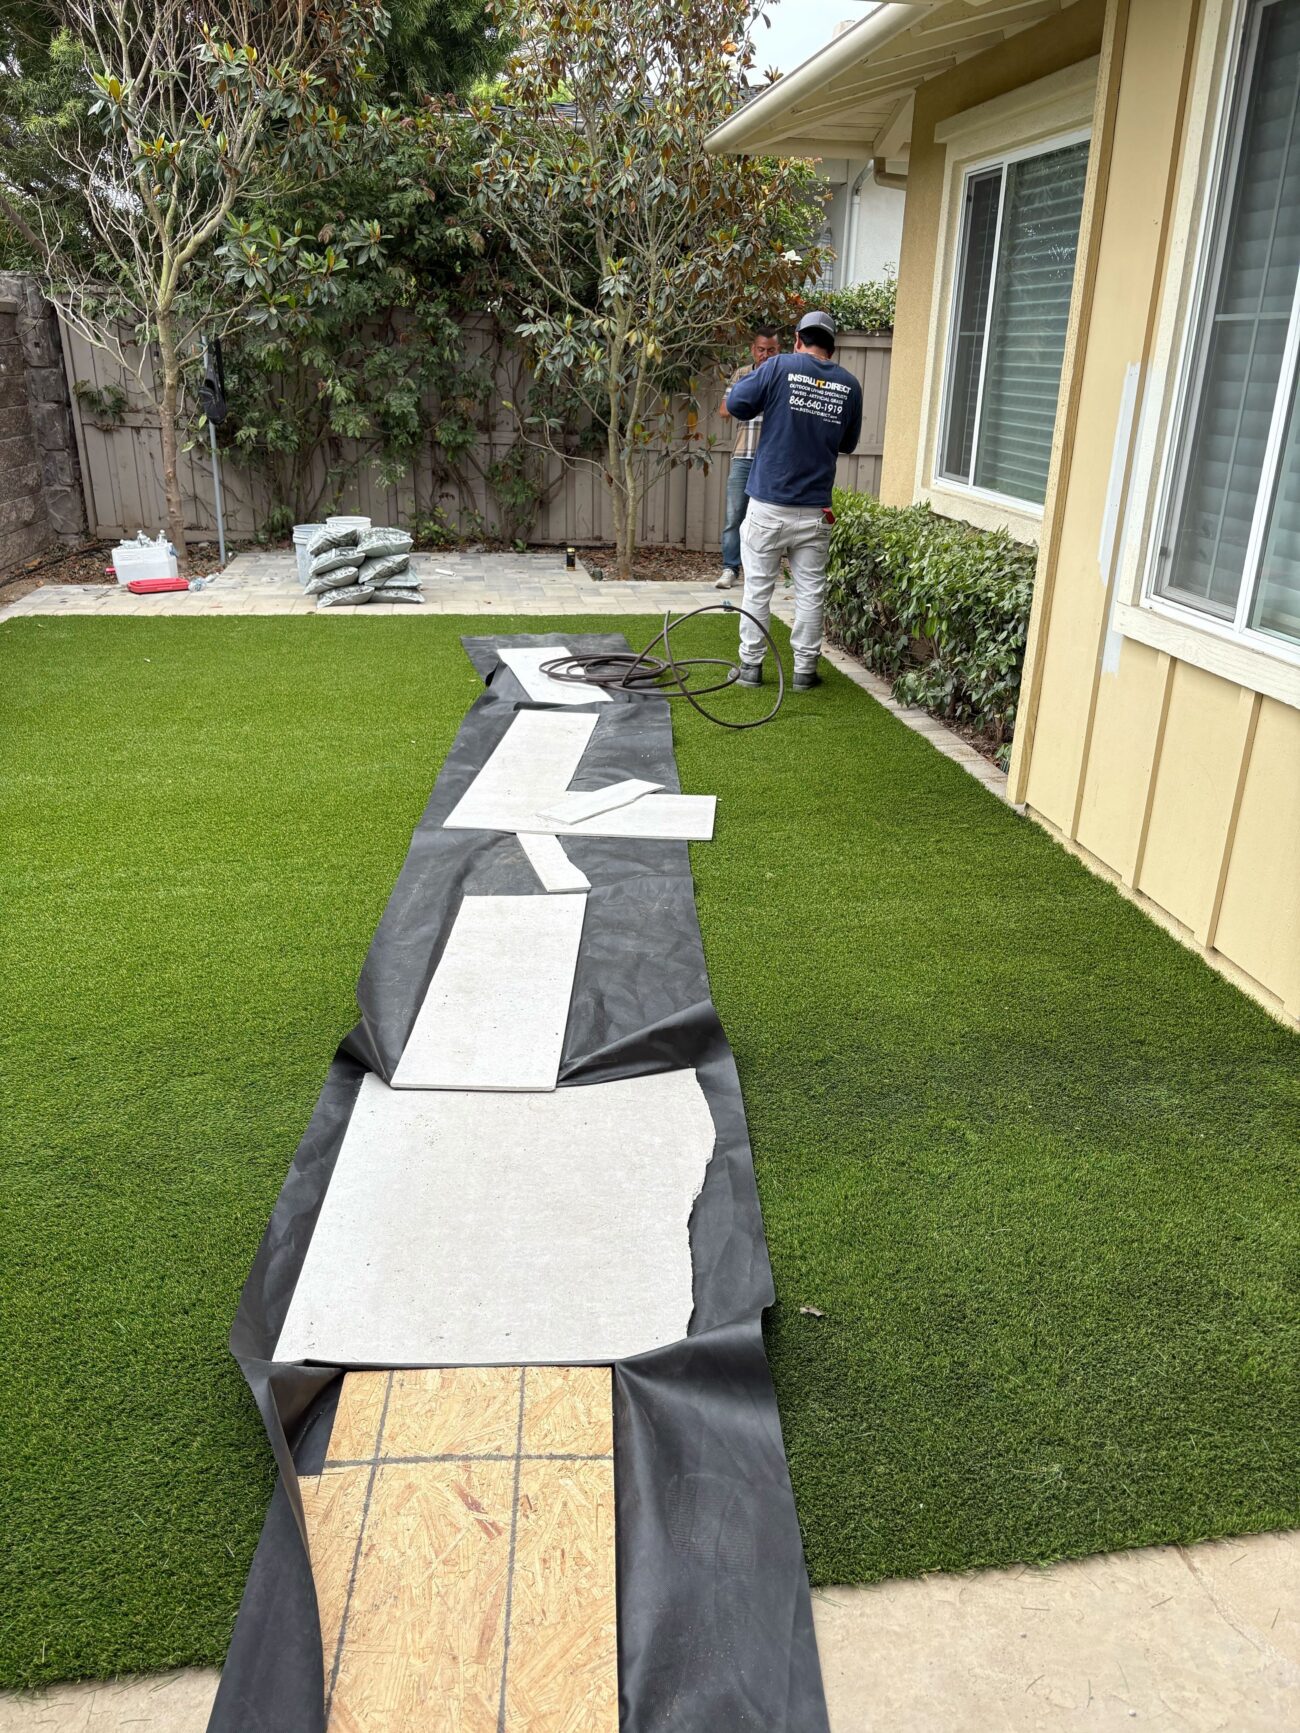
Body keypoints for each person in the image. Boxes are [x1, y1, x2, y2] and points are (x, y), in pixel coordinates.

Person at [724, 310, 863, 690]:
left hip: (769, 505)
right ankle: (804, 672)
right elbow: (848, 444)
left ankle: (750, 668)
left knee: (757, 588)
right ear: (832, 346)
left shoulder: (779, 366)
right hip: (816, 511)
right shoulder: (850, 385)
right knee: (810, 591)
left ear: (798, 338)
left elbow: (737, 404)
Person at [715, 325, 781, 590]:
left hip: (773, 458)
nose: (765, 355)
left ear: (780, 350)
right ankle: (730, 569)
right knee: (734, 515)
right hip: (743, 455)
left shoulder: (784, 376)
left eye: (771, 350)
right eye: (761, 350)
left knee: (771, 519)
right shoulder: (743, 375)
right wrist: (751, 399)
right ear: (753, 350)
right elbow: (723, 409)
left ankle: (762, 572)